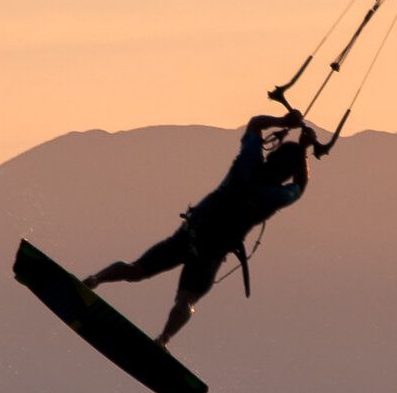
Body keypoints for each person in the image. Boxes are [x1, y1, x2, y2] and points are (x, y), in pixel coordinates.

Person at [84, 112, 321, 345]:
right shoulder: (275, 196)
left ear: (272, 155)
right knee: (186, 300)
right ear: (287, 174)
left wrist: (283, 122)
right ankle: (163, 340)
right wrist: (304, 149)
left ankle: (95, 280)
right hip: (210, 253)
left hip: (188, 235)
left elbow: (255, 124)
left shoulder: (247, 164)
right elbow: (300, 185)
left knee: (135, 270)